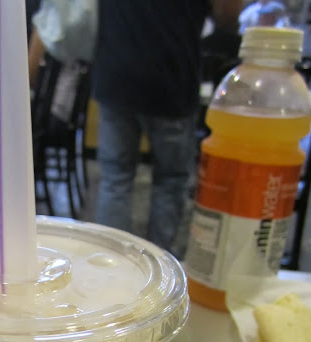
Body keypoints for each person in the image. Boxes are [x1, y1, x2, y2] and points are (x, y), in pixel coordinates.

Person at [92, 1, 242, 258]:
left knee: (115, 178)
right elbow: (228, 15)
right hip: (171, 77)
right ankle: (159, 260)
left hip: (115, 73)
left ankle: (110, 261)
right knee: (170, 181)